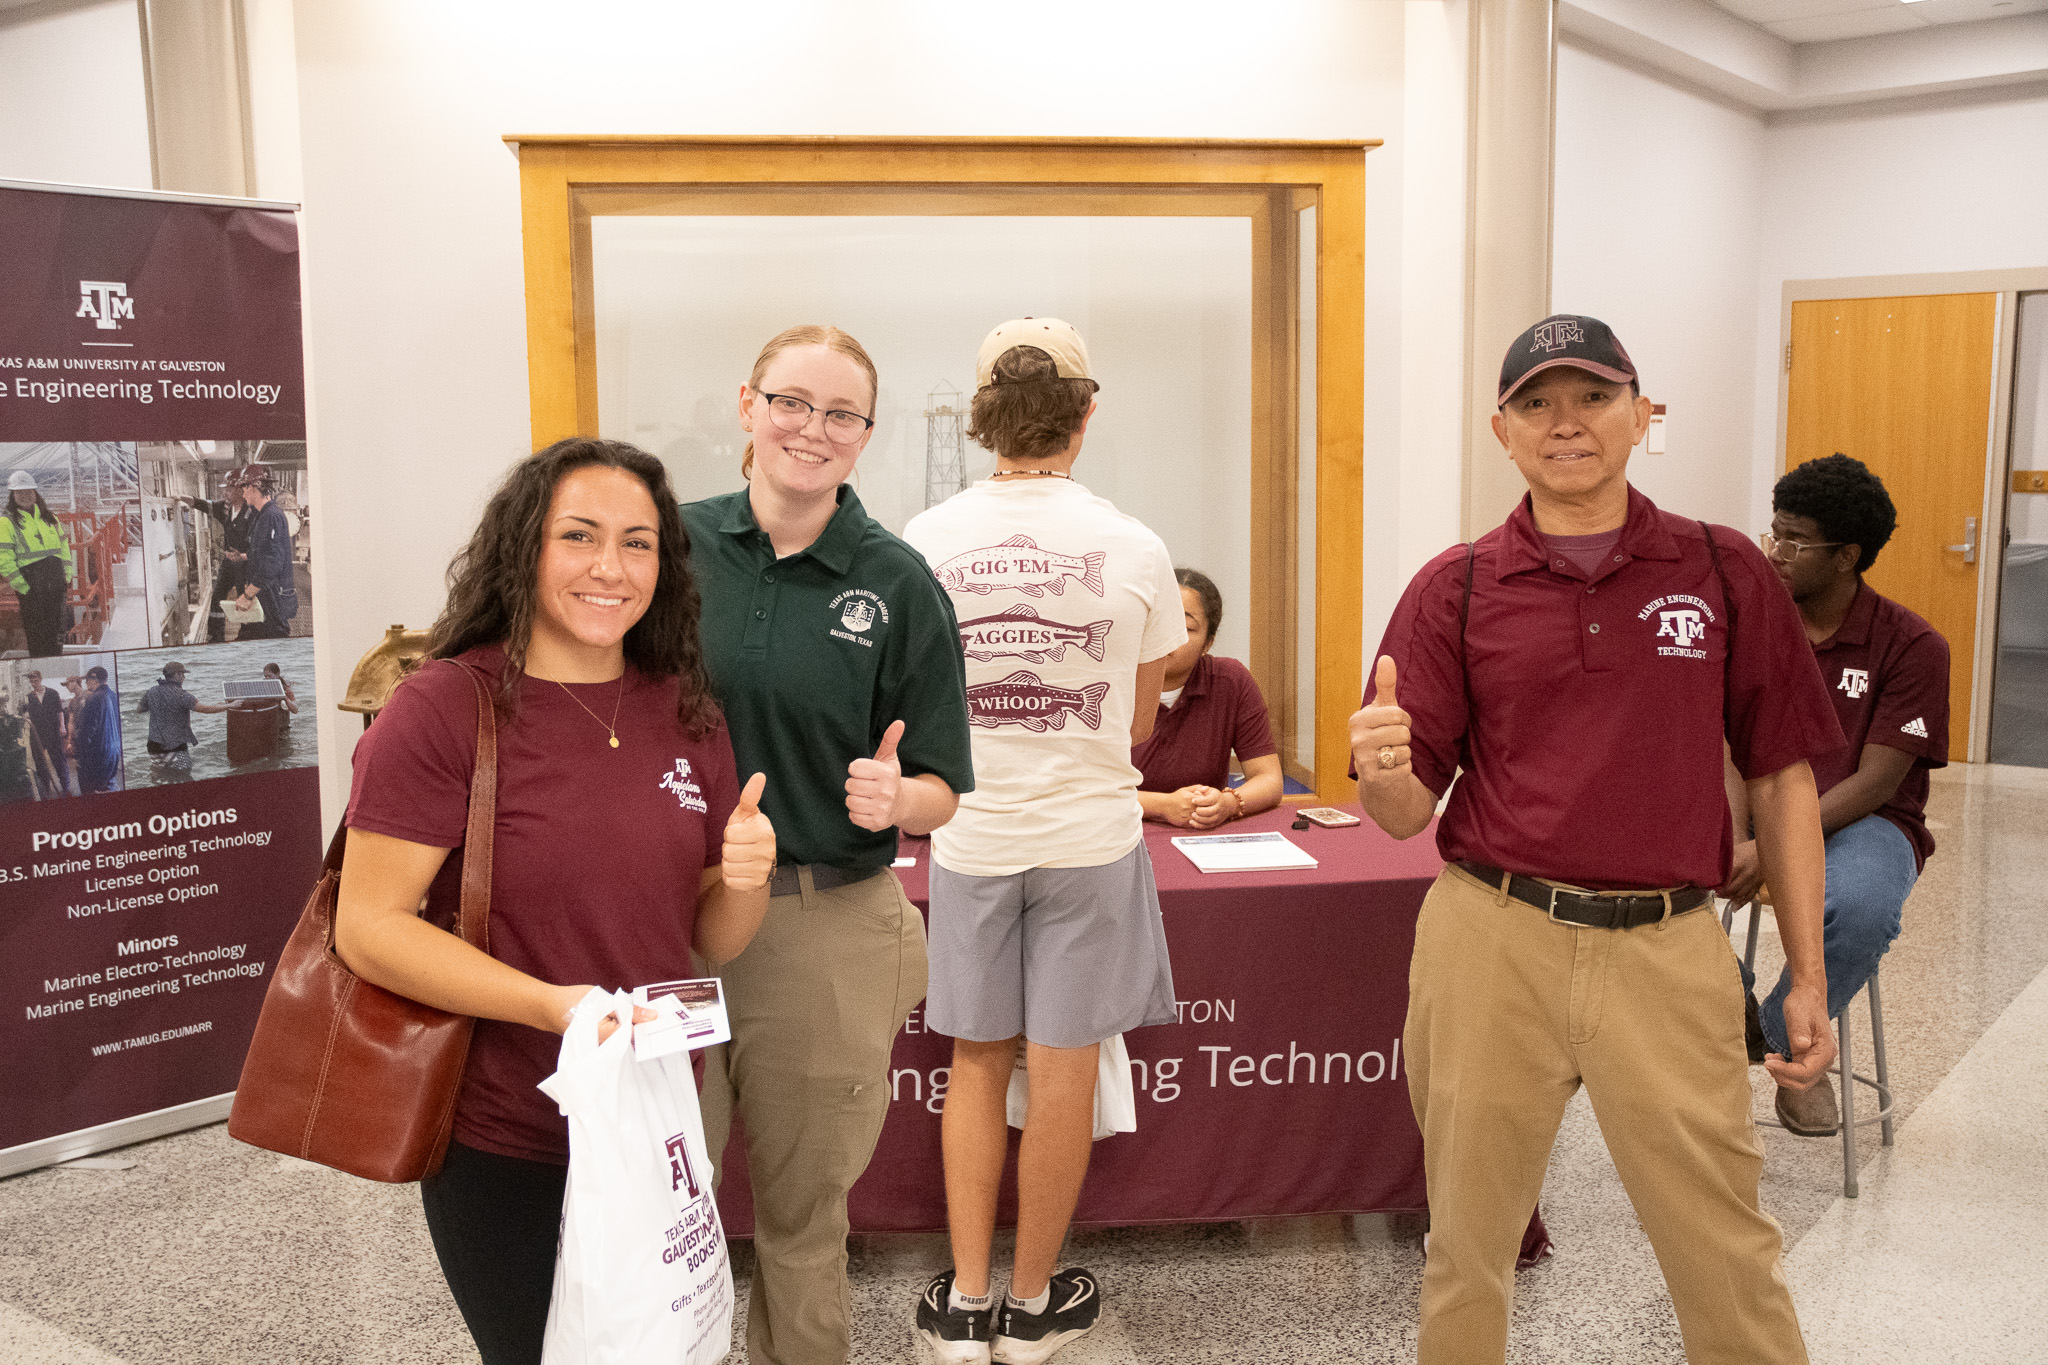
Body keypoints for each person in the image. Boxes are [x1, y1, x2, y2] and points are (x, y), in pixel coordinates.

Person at [1352, 314, 1843, 1365]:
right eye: (1535, 403)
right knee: (1466, 1246)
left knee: (1722, 1246)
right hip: (1489, 938)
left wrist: (1803, 973)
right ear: (1500, 430)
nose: (1562, 424)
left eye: (1589, 397)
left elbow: (1783, 777)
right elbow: (1400, 816)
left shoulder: (1720, 571)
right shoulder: (1459, 585)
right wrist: (1381, 767)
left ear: (1640, 413)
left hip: (1665, 949)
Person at [334, 438, 778, 1365]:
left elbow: (710, 937)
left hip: (654, 1113)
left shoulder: (681, 706)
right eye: (579, 536)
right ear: (525, 547)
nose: (610, 568)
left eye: (638, 542)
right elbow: (369, 929)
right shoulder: (447, 709)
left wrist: (745, 878)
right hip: (509, 1130)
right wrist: (552, 1005)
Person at [681, 324, 974, 1365]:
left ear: (864, 438)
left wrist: (902, 795)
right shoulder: (670, 550)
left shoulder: (895, 582)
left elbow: (946, 787)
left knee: (802, 1224)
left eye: (840, 414)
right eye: (792, 402)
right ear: (748, 404)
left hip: (820, 926)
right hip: (660, 930)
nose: (812, 429)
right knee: (651, 1205)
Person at [905, 318, 1185, 1365]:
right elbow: (1143, 725)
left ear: (981, 418)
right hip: (1088, 836)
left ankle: (964, 1301)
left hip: (972, 836)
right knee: (1062, 1072)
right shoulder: (1135, 545)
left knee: (974, 1069)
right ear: (1085, 412)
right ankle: (1030, 1313)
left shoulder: (922, 541)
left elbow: (908, 705)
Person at [1724, 453, 1949, 1138]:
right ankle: (1719, 1002)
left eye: (1794, 540)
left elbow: (1879, 780)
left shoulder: (1912, 645)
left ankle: (1776, 1044)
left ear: (1847, 555)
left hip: (1866, 821)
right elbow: (1730, 748)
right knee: (1652, 865)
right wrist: (1739, 839)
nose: (1776, 552)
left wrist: (1771, 844)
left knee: (1859, 907)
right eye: (1774, 532)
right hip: (1759, 803)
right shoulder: (1755, 628)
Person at [1132, 567, 1282, 827]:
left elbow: (1268, 779)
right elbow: (1082, 791)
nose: (1167, 635)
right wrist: (1163, 806)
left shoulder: (1230, 681)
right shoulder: (1108, 681)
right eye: (1156, 621)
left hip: (1201, 834)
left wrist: (1227, 803)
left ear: (1208, 643)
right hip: (1119, 836)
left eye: (1186, 627)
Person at [2, 471, 75, 659]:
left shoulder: (50, 518)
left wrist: (66, 574)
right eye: (19, 493)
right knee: (37, 635)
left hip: (56, 582)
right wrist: (21, 586)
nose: (25, 496)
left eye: (28, 491)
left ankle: (56, 664)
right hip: (31, 585)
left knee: (58, 631)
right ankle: (42, 669)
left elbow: (63, 547)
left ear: (35, 493)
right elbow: (4, 556)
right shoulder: (7, 522)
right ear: (13, 496)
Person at [178, 479, 252, 642]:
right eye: (224, 490)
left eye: (229, 490)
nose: (225, 493)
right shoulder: (224, 508)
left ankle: (247, 633)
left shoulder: (251, 511)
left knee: (245, 598)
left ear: (240, 491)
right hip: (228, 563)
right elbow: (201, 504)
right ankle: (216, 635)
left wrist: (245, 555)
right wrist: (179, 497)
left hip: (245, 564)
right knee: (217, 596)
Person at [137, 661, 230, 777]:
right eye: (183, 674)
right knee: (184, 778)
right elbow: (204, 709)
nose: (184, 677)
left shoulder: (152, 691)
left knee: (161, 777)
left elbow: (139, 709)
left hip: (153, 746)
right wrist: (229, 706)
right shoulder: (181, 695)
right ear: (177, 675)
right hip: (174, 747)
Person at [233, 467, 294, 640]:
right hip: (264, 592)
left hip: (272, 594)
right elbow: (264, 551)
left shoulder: (272, 516)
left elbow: (273, 561)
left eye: (244, 489)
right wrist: (244, 556)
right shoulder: (262, 515)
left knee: (275, 636)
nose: (243, 494)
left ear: (252, 487)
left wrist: (248, 594)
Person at [18, 669, 70, 797]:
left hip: (52, 732)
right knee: (39, 761)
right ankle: (46, 787)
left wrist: (62, 727)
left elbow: (60, 711)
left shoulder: (52, 693)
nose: (34, 683)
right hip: (37, 733)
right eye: (31, 681)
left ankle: (66, 787)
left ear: (41, 679)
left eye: (35, 681)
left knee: (58, 760)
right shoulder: (30, 697)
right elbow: (25, 712)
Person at [73, 664, 122, 794]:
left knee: (90, 792)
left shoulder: (93, 698)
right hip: (114, 753)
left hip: (98, 756)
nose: (86, 683)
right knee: (108, 787)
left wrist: (79, 756)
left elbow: (86, 732)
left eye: (87, 680)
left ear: (94, 681)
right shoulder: (114, 695)